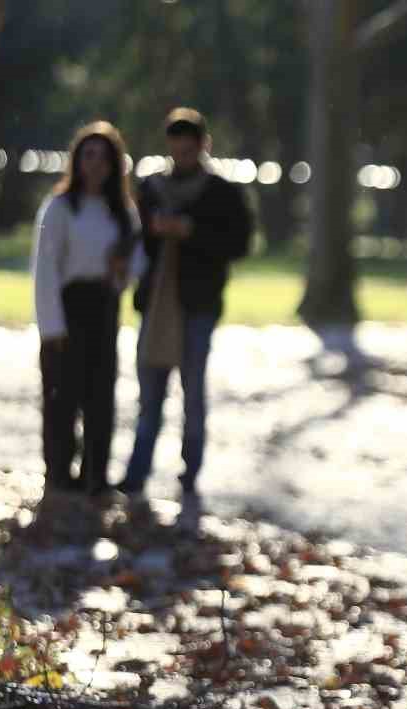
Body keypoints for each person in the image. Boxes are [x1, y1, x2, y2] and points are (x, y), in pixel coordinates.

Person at [116, 107, 253, 518]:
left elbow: (240, 243)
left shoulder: (222, 193)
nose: (183, 154)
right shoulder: (152, 189)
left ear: (202, 146)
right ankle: (137, 471)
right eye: (177, 147)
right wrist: (156, 233)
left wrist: (192, 233)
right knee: (150, 390)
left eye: (190, 147)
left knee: (193, 390)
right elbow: (134, 240)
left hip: (199, 304)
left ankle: (190, 472)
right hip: (157, 303)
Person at [31, 121, 138, 500]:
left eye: (103, 157)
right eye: (88, 155)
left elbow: (136, 260)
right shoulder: (60, 208)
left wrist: (122, 271)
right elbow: (44, 269)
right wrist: (52, 327)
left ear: (114, 164)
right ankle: (59, 472)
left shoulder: (121, 211)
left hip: (104, 307)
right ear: (77, 161)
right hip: (67, 307)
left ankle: (96, 475)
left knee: (99, 396)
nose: (95, 164)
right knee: (62, 396)